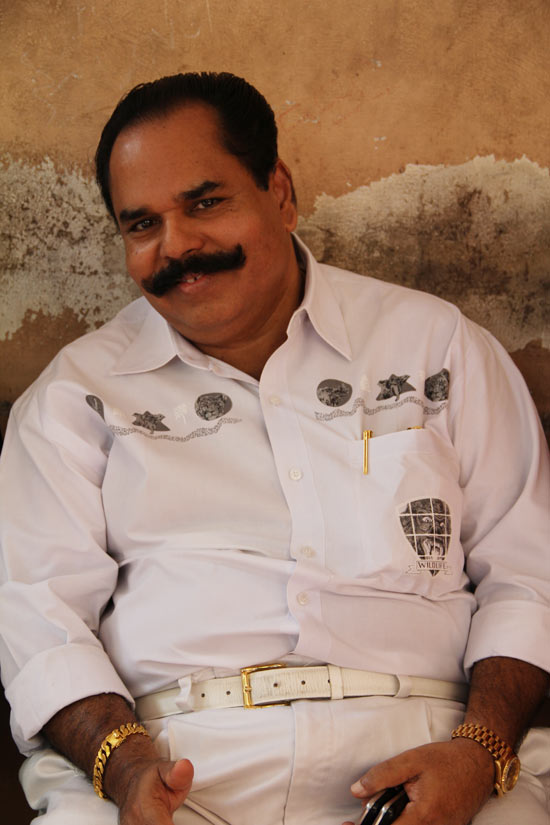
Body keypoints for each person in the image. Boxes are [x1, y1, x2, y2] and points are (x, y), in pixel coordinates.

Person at [0, 71, 549, 825]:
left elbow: (528, 571)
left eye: (205, 203)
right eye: (143, 224)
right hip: (176, 763)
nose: (177, 246)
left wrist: (479, 751)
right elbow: (38, 619)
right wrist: (128, 772)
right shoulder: (76, 397)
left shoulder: (435, 346)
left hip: (429, 750)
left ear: (280, 192)